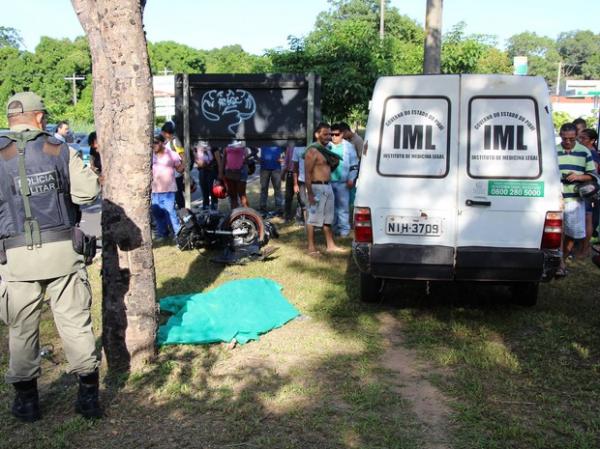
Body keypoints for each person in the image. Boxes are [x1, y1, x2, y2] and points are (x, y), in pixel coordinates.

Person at [0, 92, 102, 421]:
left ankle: (27, 403)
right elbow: (88, 193)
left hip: (15, 258)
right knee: (74, 323)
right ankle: (88, 398)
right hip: (62, 252)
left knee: (21, 328)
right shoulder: (59, 149)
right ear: (40, 117)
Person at [556, 122, 596, 275]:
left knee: (572, 233)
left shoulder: (584, 151)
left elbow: (592, 175)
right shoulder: (553, 151)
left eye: (571, 139)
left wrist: (579, 177)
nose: (567, 142)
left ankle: (563, 259)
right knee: (558, 232)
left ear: (576, 137)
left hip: (575, 198)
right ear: (560, 136)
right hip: (557, 197)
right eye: (565, 138)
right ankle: (559, 263)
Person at [304, 122, 342, 256]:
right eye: (325, 134)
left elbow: (327, 168)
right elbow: (307, 174)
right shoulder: (312, 151)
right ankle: (311, 248)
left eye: (330, 134)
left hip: (328, 187)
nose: (328, 137)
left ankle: (330, 246)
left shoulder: (326, 151)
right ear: (317, 135)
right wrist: (309, 194)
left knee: (328, 219)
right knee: (312, 219)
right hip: (316, 188)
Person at [152, 134, 184, 241]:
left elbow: (179, 169)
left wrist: (185, 161)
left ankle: (178, 235)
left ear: (162, 143)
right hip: (154, 190)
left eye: (156, 142)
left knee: (170, 213)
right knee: (157, 213)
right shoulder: (150, 155)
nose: (153, 145)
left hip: (168, 190)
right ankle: (163, 234)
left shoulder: (172, 154)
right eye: (152, 143)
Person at [329, 123, 359, 237]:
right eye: (331, 134)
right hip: (329, 182)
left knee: (343, 207)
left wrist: (351, 178)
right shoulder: (327, 146)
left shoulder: (349, 147)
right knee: (331, 208)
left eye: (336, 134)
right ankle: (333, 229)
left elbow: (354, 164)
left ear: (341, 134)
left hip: (343, 183)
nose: (334, 137)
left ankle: (344, 231)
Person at [577, 128, 600, 254]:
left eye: (583, 138)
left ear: (592, 140)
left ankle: (584, 249)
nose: (580, 141)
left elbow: (593, 171)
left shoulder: (592, 153)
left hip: (588, 188)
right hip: (583, 187)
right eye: (579, 138)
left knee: (588, 217)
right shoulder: (584, 151)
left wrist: (581, 176)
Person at [161, 122, 186, 209]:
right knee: (173, 199)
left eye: (163, 132)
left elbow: (184, 157)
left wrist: (181, 169)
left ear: (167, 132)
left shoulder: (175, 142)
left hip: (176, 175)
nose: (162, 134)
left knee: (178, 198)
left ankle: (185, 217)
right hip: (170, 175)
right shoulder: (168, 142)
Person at [220, 141, 251, 210]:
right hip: (229, 172)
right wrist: (221, 173)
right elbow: (224, 158)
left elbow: (255, 150)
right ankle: (234, 215)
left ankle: (248, 215)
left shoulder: (242, 140)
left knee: (242, 195)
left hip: (241, 171)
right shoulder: (227, 141)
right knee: (232, 195)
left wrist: (245, 159)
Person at [258, 145, 284, 215]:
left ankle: (279, 209)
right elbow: (252, 147)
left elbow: (288, 150)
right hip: (264, 168)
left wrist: (284, 159)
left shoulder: (279, 142)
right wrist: (256, 158)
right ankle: (262, 208)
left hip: (276, 168)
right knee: (263, 189)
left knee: (277, 189)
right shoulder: (263, 141)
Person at [194, 141, 219, 211]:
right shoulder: (197, 146)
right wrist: (198, 162)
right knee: (204, 190)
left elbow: (218, 160)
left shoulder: (213, 145)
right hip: (202, 170)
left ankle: (214, 208)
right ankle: (206, 207)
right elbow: (195, 158)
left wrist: (220, 173)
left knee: (212, 190)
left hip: (212, 170)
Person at [292, 145, 307, 226]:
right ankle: (307, 224)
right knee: (303, 202)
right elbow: (295, 168)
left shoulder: (316, 145)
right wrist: (295, 184)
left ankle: (315, 224)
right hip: (302, 180)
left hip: (314, 180)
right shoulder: (297, 148)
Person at [281, 144, 296, 222]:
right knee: (288, 196)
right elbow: (286, 161)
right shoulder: (290, 146)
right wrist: (283, 173)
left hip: (299, 174)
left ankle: (301, 217)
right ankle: (287, 216)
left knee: (301, 198)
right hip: (291, 173)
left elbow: (286, 161)